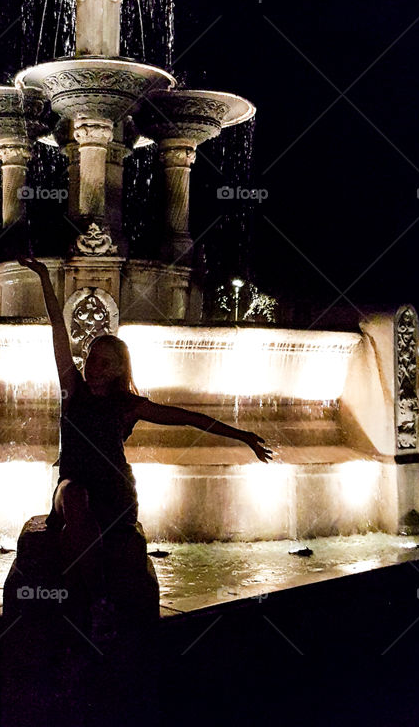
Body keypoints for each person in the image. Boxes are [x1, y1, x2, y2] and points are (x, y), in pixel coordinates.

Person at [18, 256, 273, 640]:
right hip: (73, 486)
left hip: (114, 491)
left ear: (120, 369)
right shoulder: (72, 391)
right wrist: (43, 277)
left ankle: (89, 607)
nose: (93, 367)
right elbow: (58, 328)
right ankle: (99, 601)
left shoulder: (128, 406)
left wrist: (243, 436)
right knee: (73, 499)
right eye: (90, 360)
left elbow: (188, 417)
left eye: (104, 363)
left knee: (79, 516)